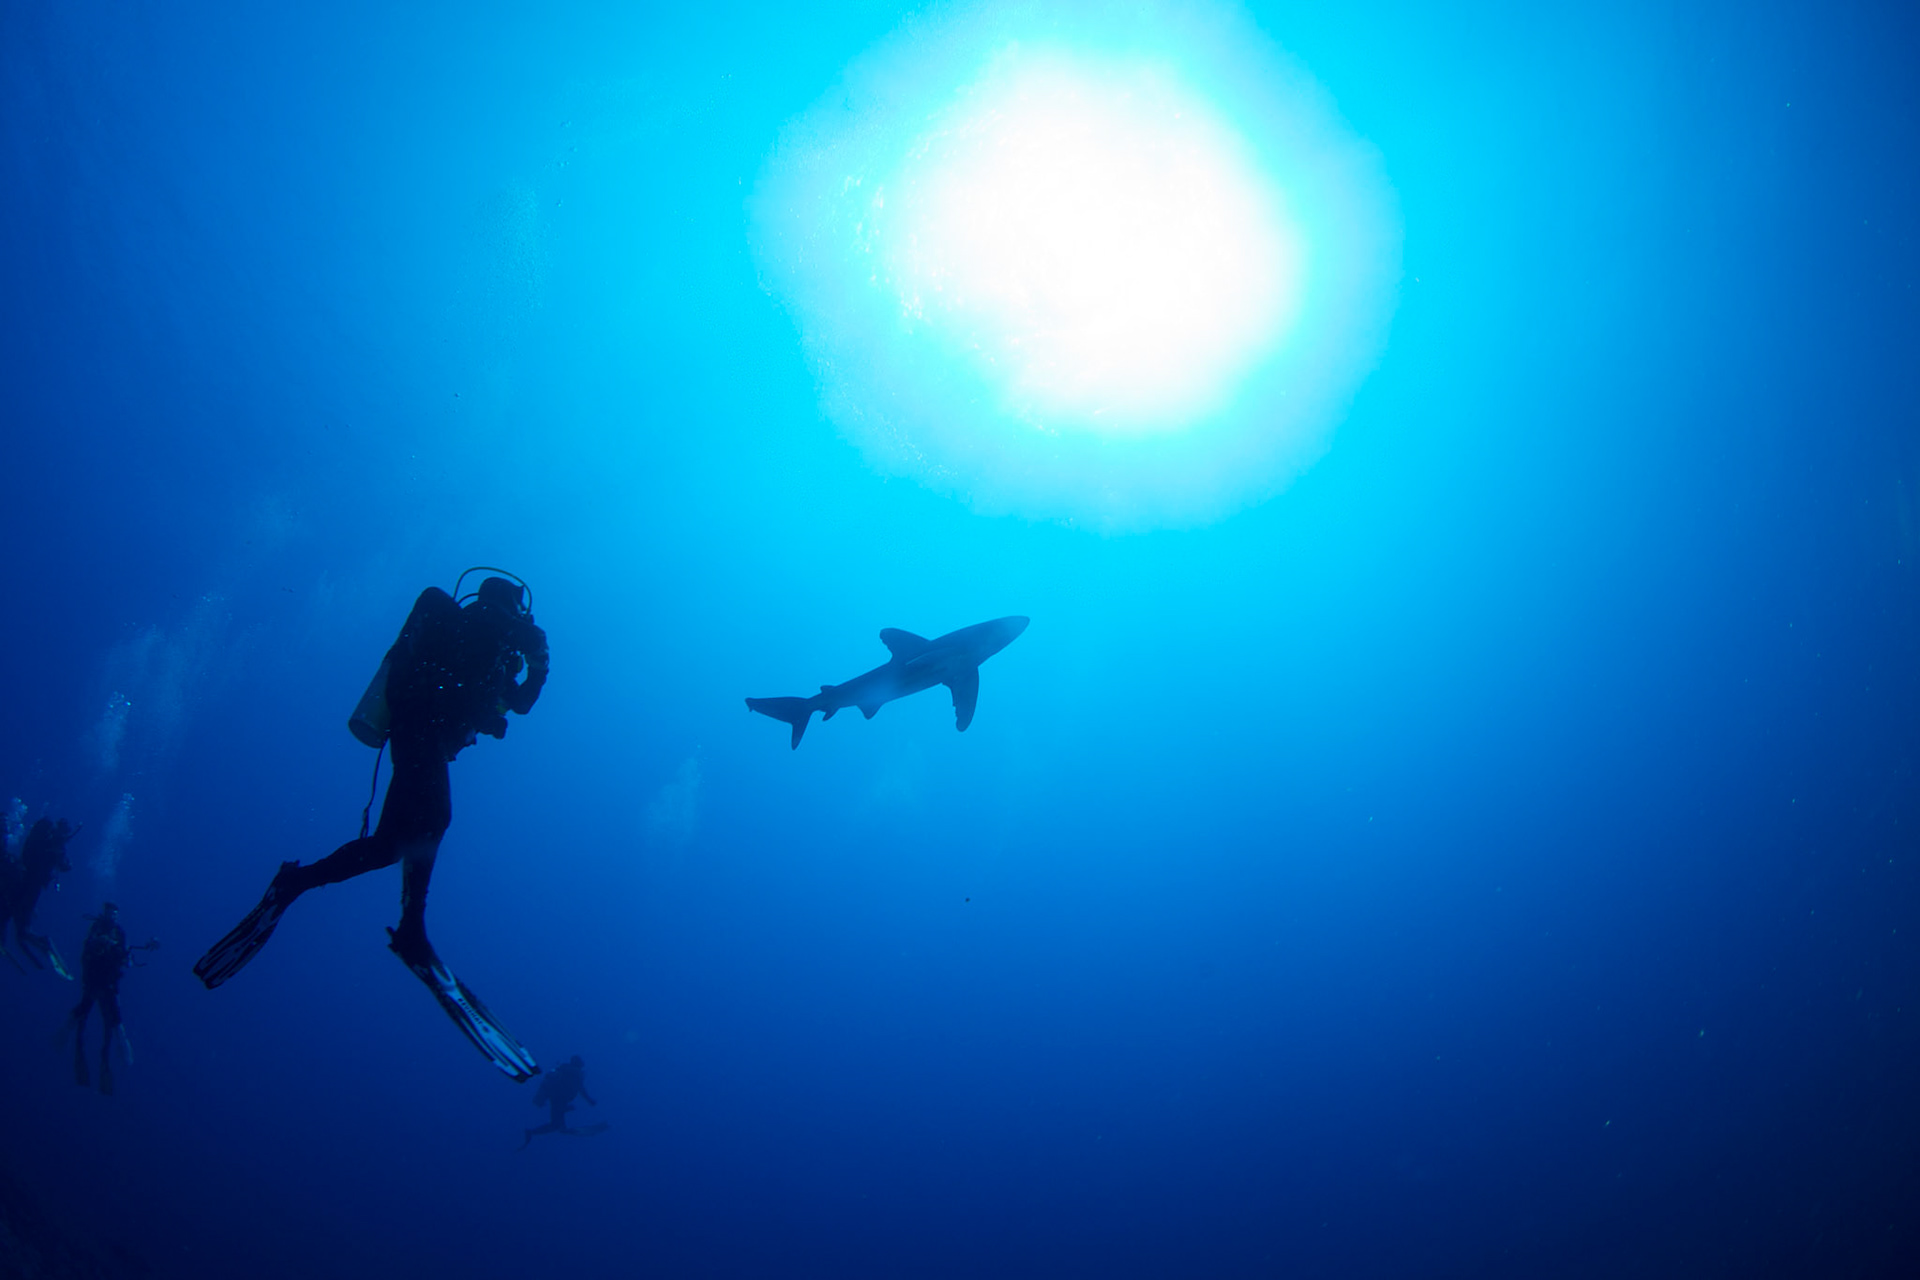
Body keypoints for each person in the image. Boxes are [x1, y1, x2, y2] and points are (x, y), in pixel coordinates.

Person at [193, 576, 550, 1079]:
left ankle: (297, 882)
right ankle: (411, 930)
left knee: (388, 846)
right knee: (434, 821)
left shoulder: (492, 642)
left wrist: (528, 665)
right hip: (418, 729)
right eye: (509, 609)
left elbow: (519, 703)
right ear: (503, 605)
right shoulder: (474, 624)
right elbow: (519, 693)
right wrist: (535, 653)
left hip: (419, 736)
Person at [67, 903, 157, 1095]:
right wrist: (100, 944)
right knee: (85, 1016)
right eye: (109, 914)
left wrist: (120, 952)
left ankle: (111, 1060)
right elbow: (88, 951)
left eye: (114, 915)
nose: (111, 918)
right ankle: (82, 1053)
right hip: (94, 982)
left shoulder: (119, 933)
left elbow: (125, 958)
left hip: (107, 984)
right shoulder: (96, 928)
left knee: (112, 1024)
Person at [2, 818, 76, 977]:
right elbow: (65, 866)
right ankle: (42, 945)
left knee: (16, 926)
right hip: (29, 889)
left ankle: (42, 944)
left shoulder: (45, 840)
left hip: (22, 885)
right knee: (19, 930)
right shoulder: (53, 845)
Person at [519, 1055, 604, 1149]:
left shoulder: (563, 1069)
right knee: (556, 1125)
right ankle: (532, 1132)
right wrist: (590, 1100)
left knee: (556, 1122)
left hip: (556, 1098)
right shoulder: (576, 1073)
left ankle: (561, 1122)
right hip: (560, 1099)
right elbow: (581, 1089)